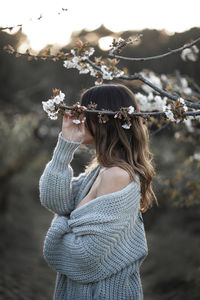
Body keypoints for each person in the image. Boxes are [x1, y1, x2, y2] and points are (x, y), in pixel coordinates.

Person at [39, 83, 158, 300]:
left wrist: (61, 222)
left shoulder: (117, 175)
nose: (79, 120)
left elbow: (83, 256)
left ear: (103, 120)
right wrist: (65, 146)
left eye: (85, 114)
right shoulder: (100, 171)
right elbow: (54, 201)